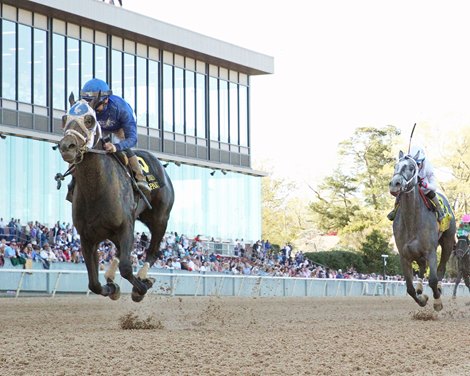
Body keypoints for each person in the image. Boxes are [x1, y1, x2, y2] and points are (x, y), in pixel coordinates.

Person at [67, 78, 151, 201]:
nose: (92, 107)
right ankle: (74, 180)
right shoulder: (86, 107)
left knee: (124, 148)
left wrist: (116, 147)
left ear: (105, 100)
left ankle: (140, 178)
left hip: (119, 126)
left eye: (95, 103)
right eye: (88, 102)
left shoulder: (122, 109)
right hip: (99, 127)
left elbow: (132, 139)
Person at [388, 145, 444, 221]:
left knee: (431, 194)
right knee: (400, 194)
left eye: (418, 164)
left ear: (422, 161)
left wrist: (425, 184)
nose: (416, 166)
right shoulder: (408, 163)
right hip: (410, 188)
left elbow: (434, 187)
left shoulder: (428, 167)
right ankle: (395, 210)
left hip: (424, 189)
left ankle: (440, 211)